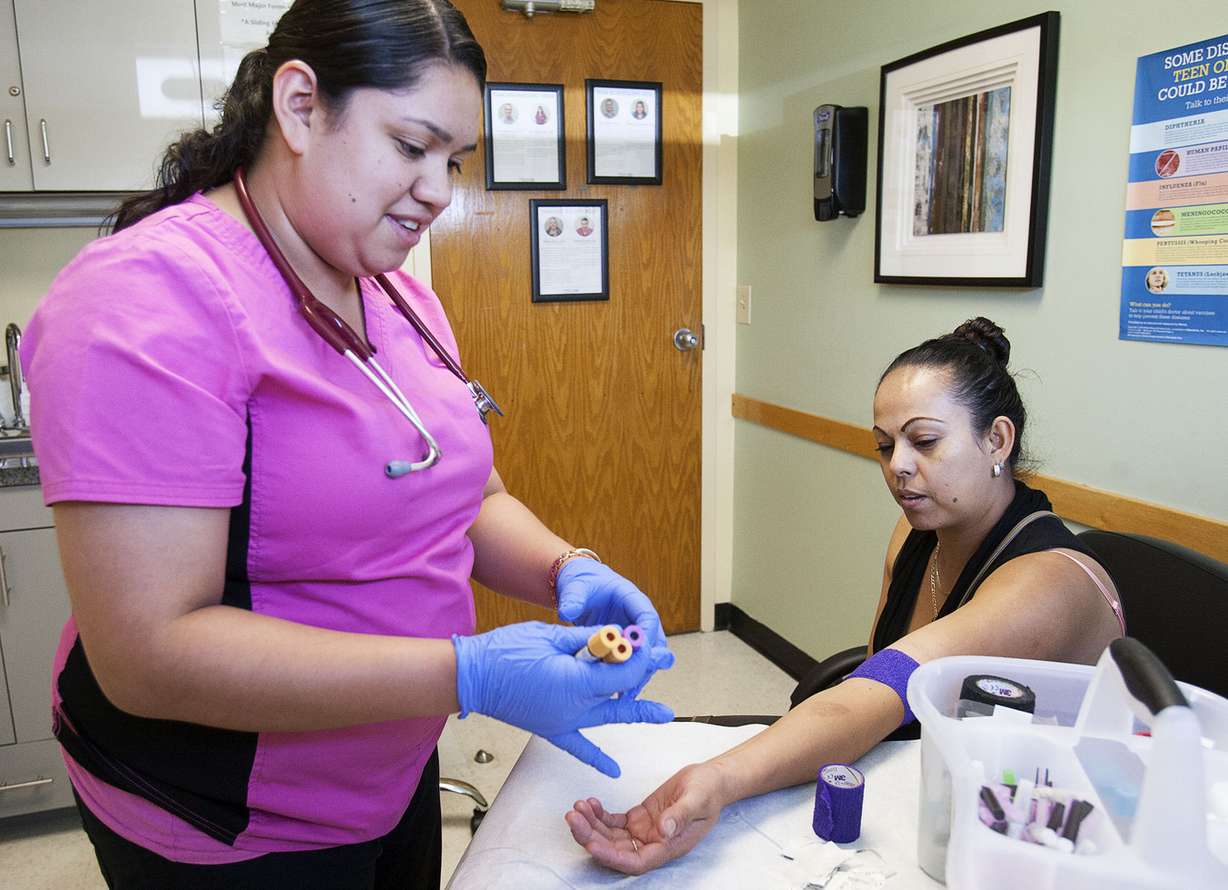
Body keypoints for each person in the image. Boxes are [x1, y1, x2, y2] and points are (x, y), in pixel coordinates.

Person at [21, 2, 674, 888]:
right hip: (230, 823)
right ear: (299, 107)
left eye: (454, 160)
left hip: (388, 769)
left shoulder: (396, 293)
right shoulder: (147, 301)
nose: (441, 190)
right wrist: (467, 674)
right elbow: (147, 655)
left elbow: (470, 496)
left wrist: (567, 570)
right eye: (412, 147)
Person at [566, 317, 1125, 875]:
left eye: (925, 441)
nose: (898, 466)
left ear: (996, 439)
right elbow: (877, 681)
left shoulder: (1047, 584)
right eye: (886, 446)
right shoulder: (914, 534)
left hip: (1046, 838)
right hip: (932, 788)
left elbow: (876, 694)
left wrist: (717, 779)